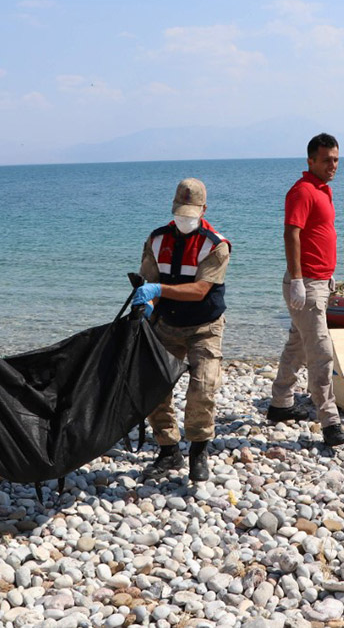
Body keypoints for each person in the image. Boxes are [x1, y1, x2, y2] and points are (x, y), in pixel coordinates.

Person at [131, 178, 230, 482]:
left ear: (203, 210)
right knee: (155, 386)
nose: (184, 220)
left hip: (205, 326)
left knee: (203, 386)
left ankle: (199, 451)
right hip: (166, 324)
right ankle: (168, 449)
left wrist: (159, 288)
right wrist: (148, 301)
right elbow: (150, 281)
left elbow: (201, 290)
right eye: (180, 213)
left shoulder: (216, 245)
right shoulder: (156, 240)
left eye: (191, 214)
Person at [269, 133, 344, 447]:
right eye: (327, 160)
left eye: (336, 159)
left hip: (321, 282)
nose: (333, 165)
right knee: (321, 353)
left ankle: (280, 404)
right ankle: (330, 422)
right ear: (311, 161)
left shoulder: (322, 190)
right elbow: (292, 234)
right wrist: (299, 281)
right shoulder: (302, 191)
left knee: (298, 346)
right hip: (307, 283)